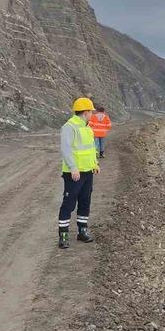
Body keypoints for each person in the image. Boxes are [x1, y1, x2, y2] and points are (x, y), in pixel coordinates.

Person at [58, 97, 100, 249]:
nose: (92, 114)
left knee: (85, 201)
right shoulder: (70, 127)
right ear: (86, 112)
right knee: (69, 204)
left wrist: (95, 164)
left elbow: (90, 149)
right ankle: (63, 235)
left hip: (87, 172)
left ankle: (82, 231)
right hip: (74, 174)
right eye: (91, 112)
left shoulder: (87, 127)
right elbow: (66, 149)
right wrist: (73, 167)